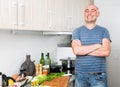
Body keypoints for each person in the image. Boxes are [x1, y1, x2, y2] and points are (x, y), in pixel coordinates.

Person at [71, 4, 111, 87]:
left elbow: (106, 52)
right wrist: (97, 45)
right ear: (84, 14)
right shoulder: (77, 31)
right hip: (80, 75)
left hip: (99, 76)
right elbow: (76, 51)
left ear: (98, 14)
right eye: (87, 11)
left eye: (93, 10)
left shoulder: (104, 31)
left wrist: (83, 50)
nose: (89, 13)